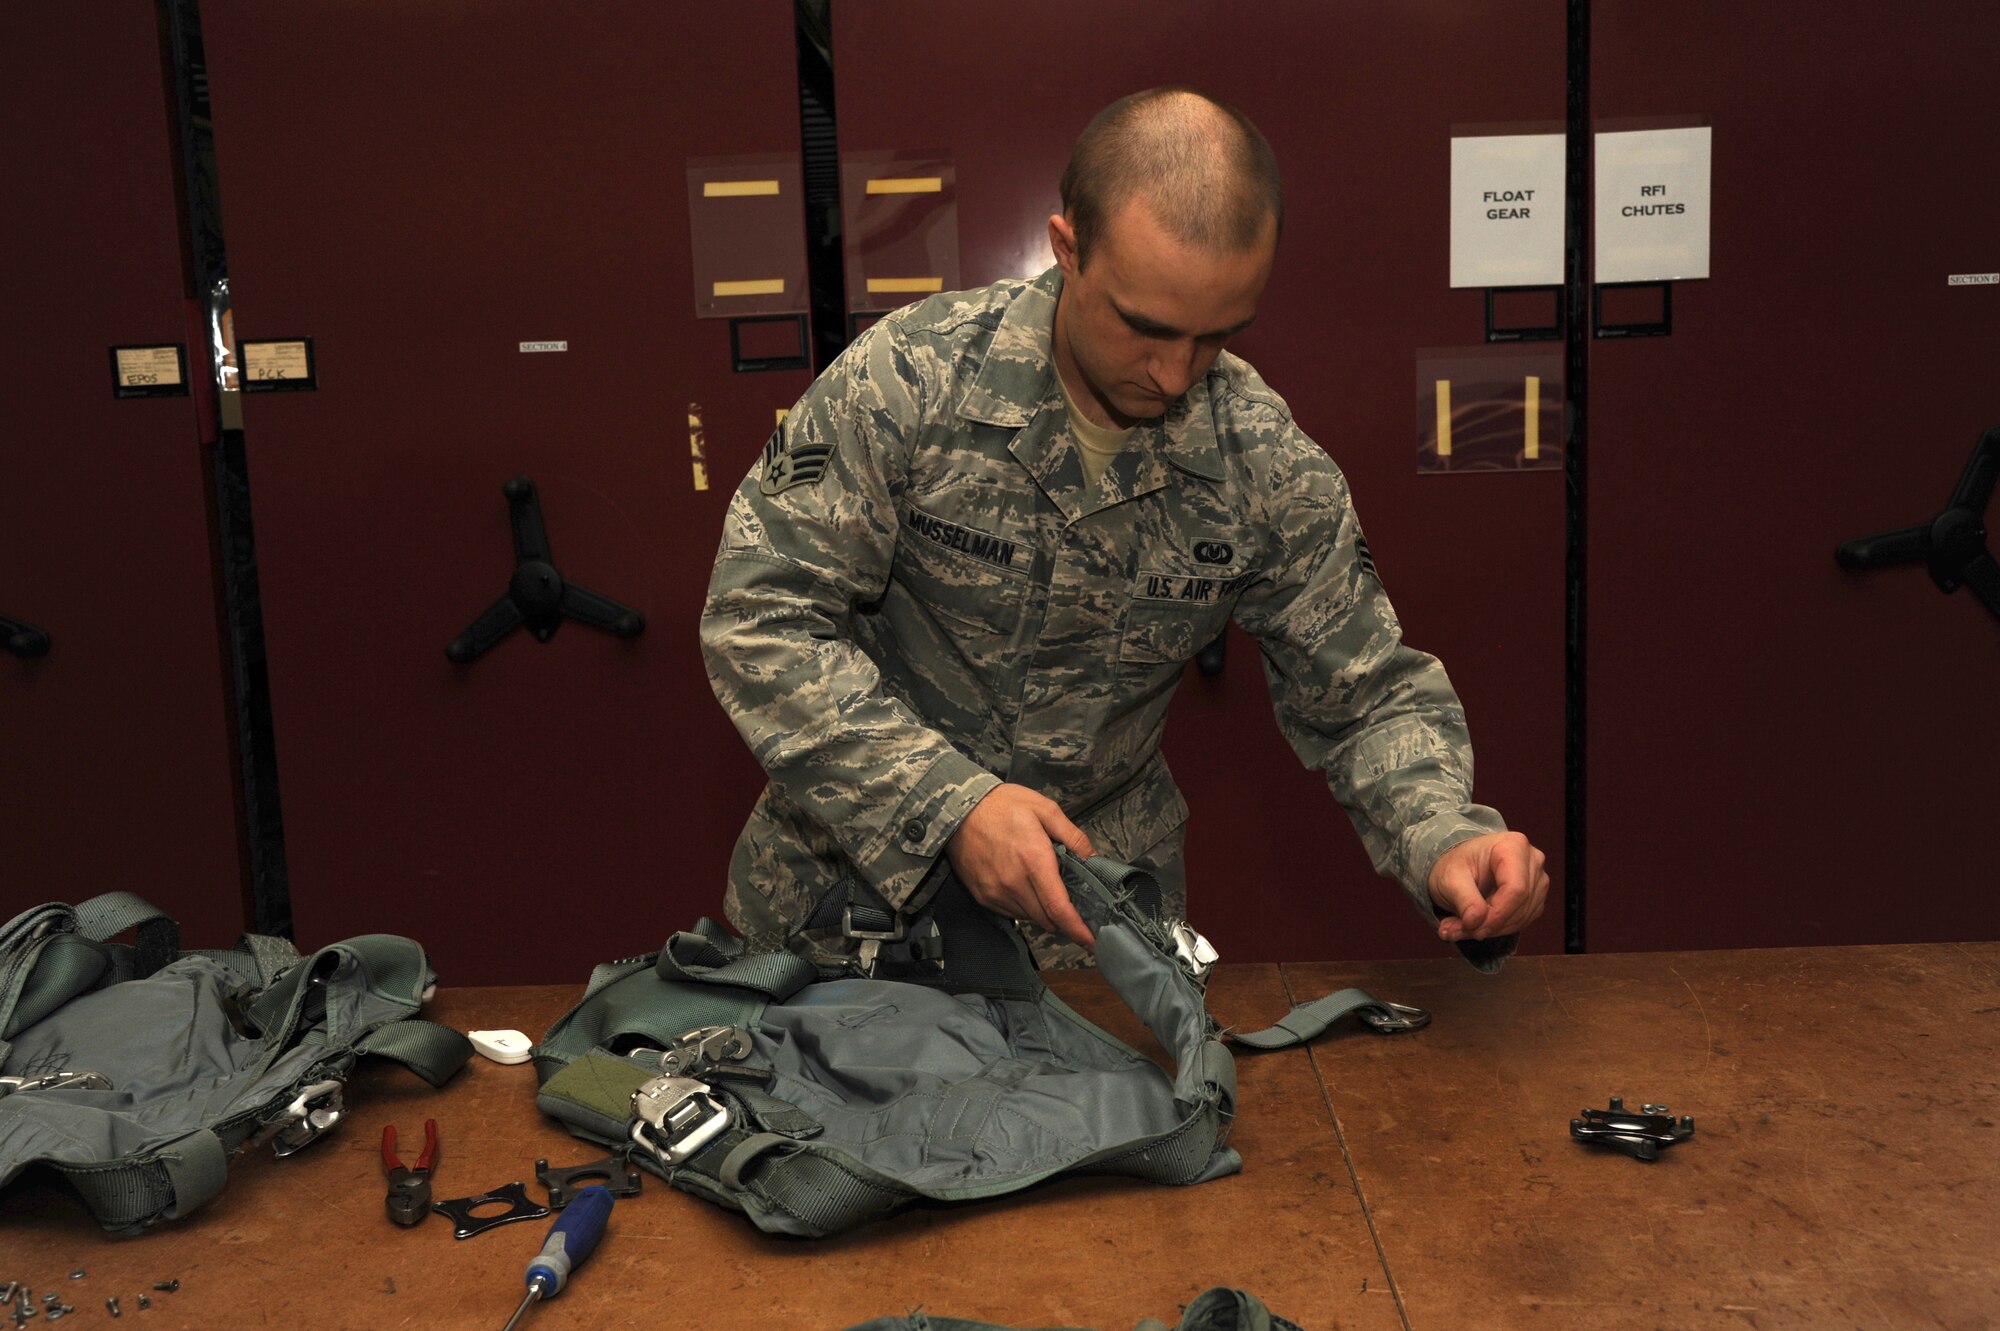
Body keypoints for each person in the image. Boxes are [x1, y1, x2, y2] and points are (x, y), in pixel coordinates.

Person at [701, 86, 1548, 972]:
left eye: (1216, 337)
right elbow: (761, 614)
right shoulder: (910, 379)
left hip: (1088, 937)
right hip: (841, 917)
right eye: (1146, 327)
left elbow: (1365, 694)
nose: (1176, 376)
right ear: (1068, 249)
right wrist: (948, 802)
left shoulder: (1261, 461)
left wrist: (1444, 834)